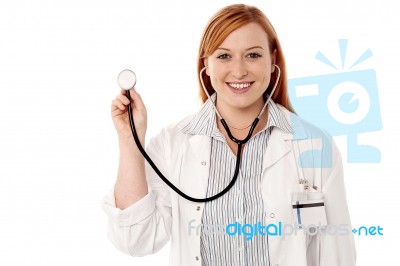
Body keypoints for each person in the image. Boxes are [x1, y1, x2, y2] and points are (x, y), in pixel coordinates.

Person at [101, 4, 356, 266]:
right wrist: (131, 140)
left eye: (253, 55)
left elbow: (336, 254)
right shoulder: (173, 144)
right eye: (224, 56)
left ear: (273, 61)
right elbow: (135, 240)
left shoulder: (313, 144)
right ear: (207, 65)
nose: (239, 71)